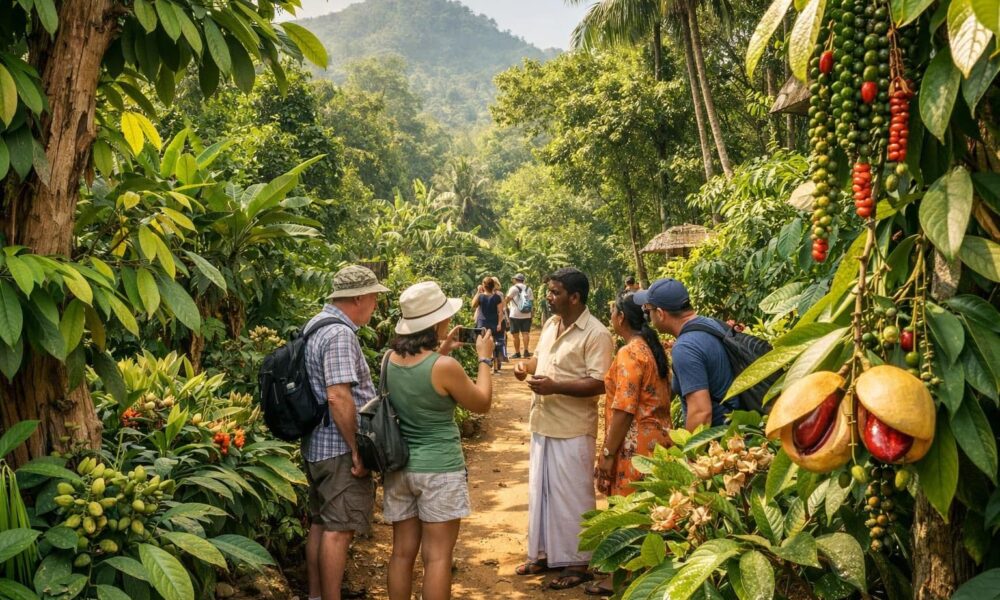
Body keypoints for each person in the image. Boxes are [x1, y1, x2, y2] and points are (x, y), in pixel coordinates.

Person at [383, 281, 495, 600]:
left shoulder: (389, 359)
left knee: (402, 553)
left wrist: (441, 350)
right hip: (439, 471)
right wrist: (484, 359)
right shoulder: (445, 367)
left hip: (400, 467)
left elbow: (419, 375)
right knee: (437, 557)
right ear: (436, 323)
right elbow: (482, 402)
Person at [513, 267, 615, 590]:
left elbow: (600, 382)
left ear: (575, 297)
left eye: (555, 292)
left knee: (572, 496)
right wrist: (523, 367)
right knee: (541, 492)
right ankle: (543, 554)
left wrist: (555, 386)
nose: (549, 297)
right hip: (543, 421)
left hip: (573, 427)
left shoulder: (596, 334)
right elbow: (538, 360)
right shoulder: (550, 326)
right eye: (549, 291)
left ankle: (578, 561)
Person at [303, 265, 389, 600]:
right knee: (338, 531)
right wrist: (357, 449)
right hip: (337, 448)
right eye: (373, 298)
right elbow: (338, 395)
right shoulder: (339, 334)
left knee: (321, 524)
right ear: (357, 297)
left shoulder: (314, 324)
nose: (375, 305)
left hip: (316, 444)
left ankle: (316, 595)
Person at [587, 293, 672, 596]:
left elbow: (624, 408)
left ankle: (621, 576)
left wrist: (608, 454)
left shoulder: (628, 354)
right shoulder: (652, 349)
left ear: (620, 318)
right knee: (654, 507)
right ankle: (651, 571)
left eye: (612, 312)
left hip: (634, 444)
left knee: (627, 508)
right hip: (659, 441)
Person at [635, 278, 738, 431]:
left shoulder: (685, 348)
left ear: (660, 313)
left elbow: (701, 413)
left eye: (648, 311)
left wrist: (687, 453)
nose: (648, 316)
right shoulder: (712, 324)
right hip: (740, 431)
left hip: (720, 444)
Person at [472, 277, 504, 371]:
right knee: (493, 342)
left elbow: (473, 305)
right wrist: (499, 324)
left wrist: (478, 291)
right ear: (493, 286)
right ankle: (495, 365)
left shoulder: (480, 296)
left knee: (480, 342)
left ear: (483, 286)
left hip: (482, 323)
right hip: (493, 323)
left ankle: (482, 362)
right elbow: (500, 312)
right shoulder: (497, 297)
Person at [505, 273, 534, 359]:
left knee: (515, 335)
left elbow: (506, 300)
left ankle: (517, 353)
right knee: (525, 333)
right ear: (523, 280)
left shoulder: (513, 288)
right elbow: (531, 302)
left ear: (515, 280)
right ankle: (526, 351)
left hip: (515, 315)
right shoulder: (529, 289)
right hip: (526, 314)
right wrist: (531, 315)